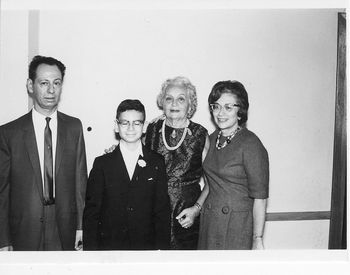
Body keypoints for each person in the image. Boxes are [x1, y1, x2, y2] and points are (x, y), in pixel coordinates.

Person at [0, 55, 87, 251]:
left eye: (56, 83)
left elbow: (80, 184)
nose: (51, 90)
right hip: (24, 228)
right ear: (30, 86)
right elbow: (2, 192)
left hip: (64, 226)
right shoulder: (9, 133)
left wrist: (81, 228)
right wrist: (3, 240)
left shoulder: (74, 127)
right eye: (44, 83)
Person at [83, 99, 170, 250]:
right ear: (116, 126)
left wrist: (161, 250)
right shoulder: (102, 164)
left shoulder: (156, 162)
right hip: (110, 247)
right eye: (125, 123)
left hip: (145, 246)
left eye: (137, 123)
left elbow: (161, 211)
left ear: (144, 126)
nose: (131, 128)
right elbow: (92, 213)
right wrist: (92, 254)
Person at [198, 80, 269, 250]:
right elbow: (209, 183)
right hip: (210, 221)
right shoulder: (212, 138)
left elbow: (260, 198)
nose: (220, 113)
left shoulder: (251, 143)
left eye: (228, 107)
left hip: (236, 225)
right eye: (216, 106)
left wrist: (257, 239)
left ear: (240, 111)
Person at [144, 76, 210, 249]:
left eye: (181, 99)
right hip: (153, 211)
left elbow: (213, 183)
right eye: (169, 98)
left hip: (186, 215)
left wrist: (196, 209)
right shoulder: (152, 130)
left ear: (190, 104)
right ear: (162, 103)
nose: (174, 104)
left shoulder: (200, 135)